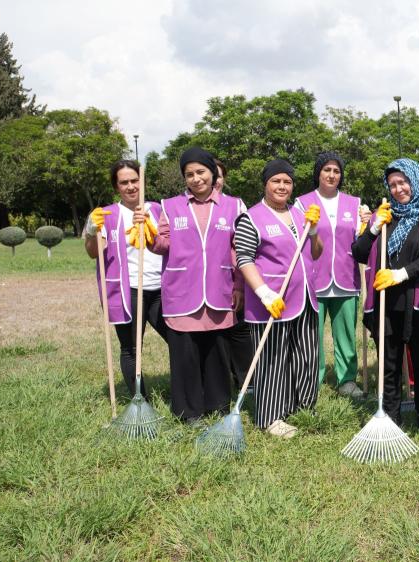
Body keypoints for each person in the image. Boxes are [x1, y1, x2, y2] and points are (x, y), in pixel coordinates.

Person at [136, 147, 243, 423]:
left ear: (213, 173)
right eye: (189, 174)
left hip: (220, 289)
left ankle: (218, 405)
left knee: (217, 351)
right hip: (182, 291)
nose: (196, 179)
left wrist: (239, 286)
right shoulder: (170, 206)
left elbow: (238, 249)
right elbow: (163, 244)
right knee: (185, 354)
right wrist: (147, 233)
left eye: (201, 172)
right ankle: (188, 411)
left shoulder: (234, 206)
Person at [233, 159, 323, 437]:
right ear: (266, 184)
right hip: (272, 302)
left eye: (287, 181)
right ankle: (271, 416)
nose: (282, 186)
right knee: (272, 359)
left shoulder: (299, 214)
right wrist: (263, 292)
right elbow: (244, 258)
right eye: (276, 181)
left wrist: (315, 231)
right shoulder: (252, 217)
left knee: (307, 355)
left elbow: (316, 252)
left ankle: (303, 405)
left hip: (305, 297)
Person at [354, 158, 419, 430]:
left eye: (403, 181)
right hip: (386, 301)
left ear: (414, 180)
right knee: (388, 362)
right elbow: (359, 252)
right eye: (392, 184)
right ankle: (391, 415)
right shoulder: (387, 214)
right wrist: (374, 227)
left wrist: (402, 273)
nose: (398, 188)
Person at [84, 160, 167, 396]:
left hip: (162, 290)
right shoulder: (107, 215)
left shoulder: (160, 210)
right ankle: (140, 400)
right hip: (127, 290)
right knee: (131, 348)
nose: (131, 186)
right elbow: (93, 253)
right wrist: (91, 231)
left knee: (179, 341)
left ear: (142, 181)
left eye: (134, 180)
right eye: (124, 182)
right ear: (117, 187)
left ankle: (188, 390)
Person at [295, 151, 364, 400]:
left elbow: (361, 240)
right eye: (327, 170)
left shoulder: (354, 203)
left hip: (346, 278)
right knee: (311, 334)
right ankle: (313, 378)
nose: (332, 175)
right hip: (314, 279)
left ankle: (347, 380)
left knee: (346, 333)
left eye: (336, 171)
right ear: (318, 173)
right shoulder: (302, 203)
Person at [213, 157, 253, 391]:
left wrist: (240, 284)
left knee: (239, 329)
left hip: (234, 279)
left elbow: (243, 247)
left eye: (219, 175)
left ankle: (246, 381)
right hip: (206, 283)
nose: (216, 180)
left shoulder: (236, 205)